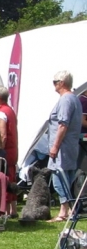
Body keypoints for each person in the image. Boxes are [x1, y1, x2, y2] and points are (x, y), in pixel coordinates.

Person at [47, 70, 83, 222]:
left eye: (55, 82)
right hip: (70, 145)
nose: (54, 85)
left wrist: (55, 146)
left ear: (62, 83)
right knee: (67, 177)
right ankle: (71, 210)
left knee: (58, 177)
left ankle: (64, 211)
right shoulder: (75, 98)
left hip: (63, 146)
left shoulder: (66, 100)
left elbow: (63, 124)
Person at [0, 86, 19, 217]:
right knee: (12, 178)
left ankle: (5, 211)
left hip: (6, 151)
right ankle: (13, 210)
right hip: (13, 150)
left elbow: (3, 135)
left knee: (5, 178)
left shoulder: (1, 113)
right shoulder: (10, 111)